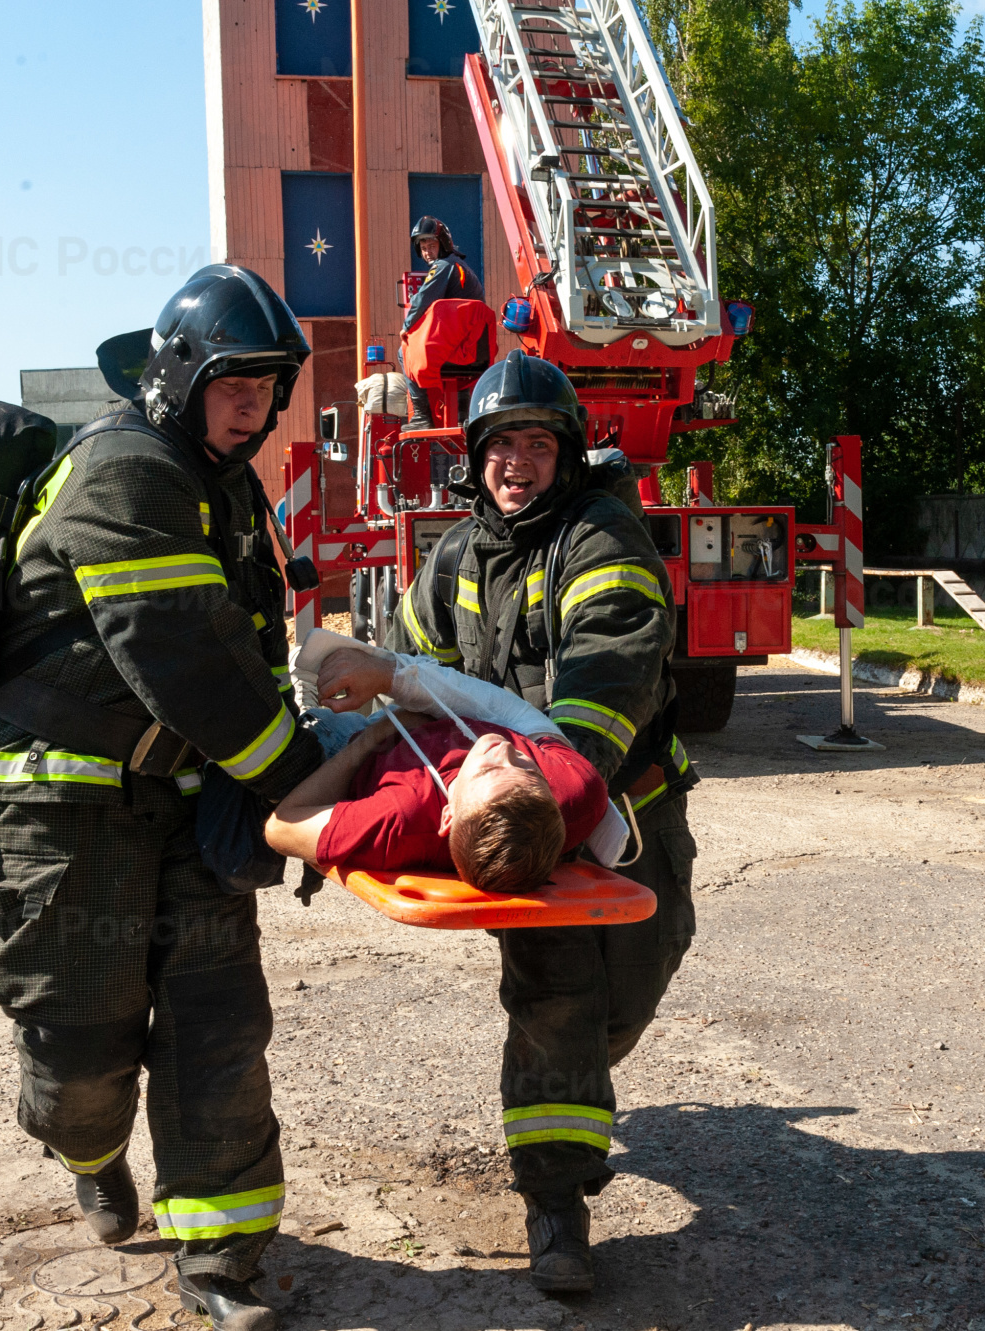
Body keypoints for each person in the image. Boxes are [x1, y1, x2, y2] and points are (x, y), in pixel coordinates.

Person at [0, 264, 324, 1329]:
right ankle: (90, 1151)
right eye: (234, 380)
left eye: (269, 383)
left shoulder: (227, 486)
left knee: (219, 1028)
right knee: (80, 1051)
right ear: (175, 376)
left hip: (190, 801)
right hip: (63, 807)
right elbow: (180, 653)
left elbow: (250, 648)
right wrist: (302, 781)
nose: (254, 401)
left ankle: (221, 1261)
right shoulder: (123, 470)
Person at [323, 348, 697, 1294]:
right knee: (554, 1000)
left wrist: (556, 790)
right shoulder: (455, 557)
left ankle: (581, 1090)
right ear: (474, 457)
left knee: (631, 991)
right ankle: (557, 1202)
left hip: (624, 811)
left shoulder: (602, 541)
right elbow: (402, 686)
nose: (515, 462)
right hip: (522, 823)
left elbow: (605, 688)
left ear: (566, 453)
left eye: (534, 442)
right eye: (498, 445)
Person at [264, 637, 610, 890]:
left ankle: (311, 710)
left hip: (371, 748)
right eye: (528, 767)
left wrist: (376, 734)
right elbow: (519, 717)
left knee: (304, 745)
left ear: (448, 815)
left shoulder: (397, 820)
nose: (504, 748)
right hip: (441, 719)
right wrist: (389, 675)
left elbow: (281, 827)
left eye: (490, 770)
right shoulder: (576, 790)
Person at [400, 214, 484, 430]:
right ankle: (462, 414)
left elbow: (422, 301)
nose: (428, 251)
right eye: (424, 247)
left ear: (443, 244)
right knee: (456, 366)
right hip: (472, 349)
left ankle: (421, 416)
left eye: (432, 245)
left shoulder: (443, 267)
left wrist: (406, 327)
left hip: (454, 347)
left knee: (404, 350)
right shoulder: (462, 267)